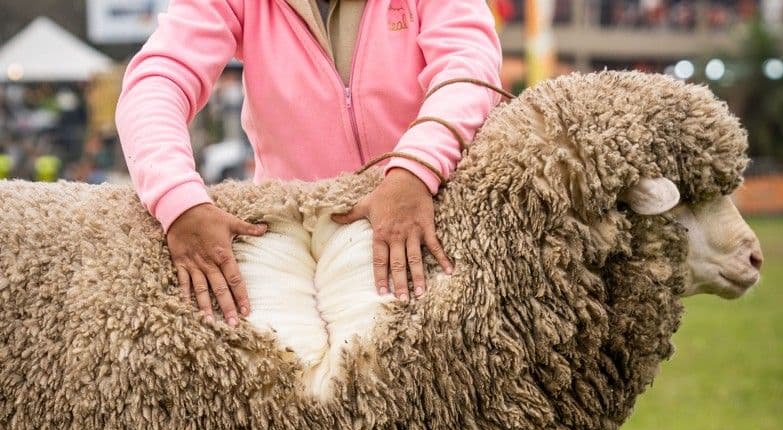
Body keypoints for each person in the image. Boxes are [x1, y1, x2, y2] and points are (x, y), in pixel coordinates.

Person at [116, 0, 503, 326]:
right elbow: (157, 81)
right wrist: (180, 202)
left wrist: (416, 168)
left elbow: (468, 66)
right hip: (291, 227)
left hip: (425, 203)